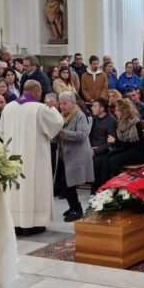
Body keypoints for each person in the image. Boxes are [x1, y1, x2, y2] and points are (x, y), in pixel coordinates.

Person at [0, 80, 65, 236]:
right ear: (37, 92)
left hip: (13, 156)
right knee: (33, 186)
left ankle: (16, 223)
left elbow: (2, 132)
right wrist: (53, 108)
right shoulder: (39, 108)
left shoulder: (8, 107)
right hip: (34, 157)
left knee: (15, 189)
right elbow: (57, 123)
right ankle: (32, 224)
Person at [56, 91, 94, 222]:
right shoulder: (61, 116)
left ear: (73, 104)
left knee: (68, 184)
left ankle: (77, 210)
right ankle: (73, 206)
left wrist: (63, 133)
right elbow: (58, 136)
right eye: (61, 103)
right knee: (63, 183)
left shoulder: (79, 116)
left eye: (65, 103)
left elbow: (82, 135)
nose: (62, 106)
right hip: (65, 155)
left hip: (78, 154)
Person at [102, 98, 144, 180]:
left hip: (136, 152)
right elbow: (122, 143)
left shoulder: (134, 122)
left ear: (124, 111)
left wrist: (115, 141)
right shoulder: (120, 122)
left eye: (117, 110)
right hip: (125, 150)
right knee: (106, 158)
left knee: (114, 160)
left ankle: (120, 184)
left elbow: (133, 144)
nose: (115, 112)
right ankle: (104, 184)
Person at [88, 97, 118, 193]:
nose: (91, 108)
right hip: (92, 149)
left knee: (96, 162)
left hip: (105, 150)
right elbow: (89, 136)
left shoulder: (111, 121)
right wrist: (89, 149)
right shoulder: (94, 119)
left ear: (102, 108)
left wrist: (96, 150)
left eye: (94, 106)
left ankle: (96, 191)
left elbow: (111, 142)